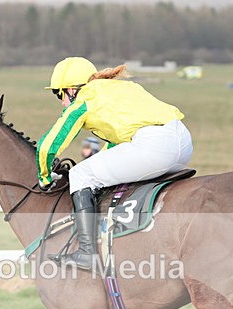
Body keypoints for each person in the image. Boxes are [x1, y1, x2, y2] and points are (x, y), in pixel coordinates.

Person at [37, 56, 193, 271]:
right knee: (92, 171)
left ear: (72, 90)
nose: (62, 102)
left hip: (155, 146)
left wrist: (44, 177)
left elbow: (49, 145)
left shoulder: (85, 99)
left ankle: (86, 253)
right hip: (182, 140)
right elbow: (114, 147)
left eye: (59, 94)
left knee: (79, 175)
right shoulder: (119, 88)